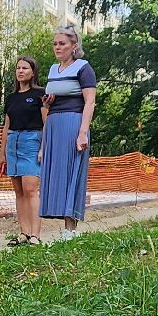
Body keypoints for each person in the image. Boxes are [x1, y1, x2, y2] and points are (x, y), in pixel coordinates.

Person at [38, 26, 95, 240]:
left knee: (72, 172)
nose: (57, 47)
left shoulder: (83, 67)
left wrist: (83, 132)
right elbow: (48, 104)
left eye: (62, 43)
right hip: (54, 124)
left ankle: (71, 231)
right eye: (55, 43)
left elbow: (90, 102)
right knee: (58, 174)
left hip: (73, 123)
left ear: (74, 45)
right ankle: (65, 231)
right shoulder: (53, 70)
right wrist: (47, 103)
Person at [0, 55, 44, 245]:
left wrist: (44, 148)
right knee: (18, 190)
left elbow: (46, 123)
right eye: (18, 68)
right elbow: (6, 126)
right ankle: (24, 233)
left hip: (32, 141)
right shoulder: (10, 98)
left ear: (33, 72)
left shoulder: (40, 94)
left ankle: (35, 235)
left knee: (31, 189)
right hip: (13, 143)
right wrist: (2, 154)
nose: (21, 71)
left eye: (25, 68)